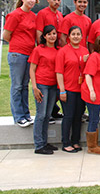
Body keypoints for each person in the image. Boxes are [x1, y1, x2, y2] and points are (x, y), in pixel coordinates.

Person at [3, 0, 39, 127]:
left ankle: (26, 114)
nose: (31, 1)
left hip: (29, 54)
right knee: (17, 86)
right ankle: (18, 116)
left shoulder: (33, 16)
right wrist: (19, 43)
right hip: (17, 54)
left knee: (25, 85)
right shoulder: (15, 15)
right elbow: (6, 35)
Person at [56, 26, 89, 153]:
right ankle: (66, 142)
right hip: (68, 89)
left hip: (81, 89)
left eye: (78, 34)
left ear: (82, 36)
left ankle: (75, 141)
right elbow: (59, 72)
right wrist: (62, 90)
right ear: (68, 36)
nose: (76, 36)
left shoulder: (85, 50)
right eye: (73, 34)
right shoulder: (63, 51)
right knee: (68, 116)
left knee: (78, 116)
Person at [29, 25, 59, 154]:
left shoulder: (58, 50)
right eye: (49, 34)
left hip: (53, 86)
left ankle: (44, 142)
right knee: (40, 115)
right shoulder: (38, 50)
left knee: (48, 115)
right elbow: (32, 69)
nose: (52, 36)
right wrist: (34, 87)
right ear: (44, 36)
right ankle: (39, 145)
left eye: (54, 33)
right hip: (41, 85)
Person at [35, 0, 64, 122]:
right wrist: (42, 48)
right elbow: (39, 32)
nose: (57, 2)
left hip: (56, 52)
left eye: (59, 0)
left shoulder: (60, 14)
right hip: (46, 51)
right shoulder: (42, 13)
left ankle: (53, 109)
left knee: (56, 83)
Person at [81, 34, 100, 155]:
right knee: (93, 118)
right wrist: (92, 91)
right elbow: (88, 74)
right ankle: (91, 146)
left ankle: (95, 144)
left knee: (95, 117)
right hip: (92, 92)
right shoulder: (94, 57)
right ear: (98, 46)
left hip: (99, 92)